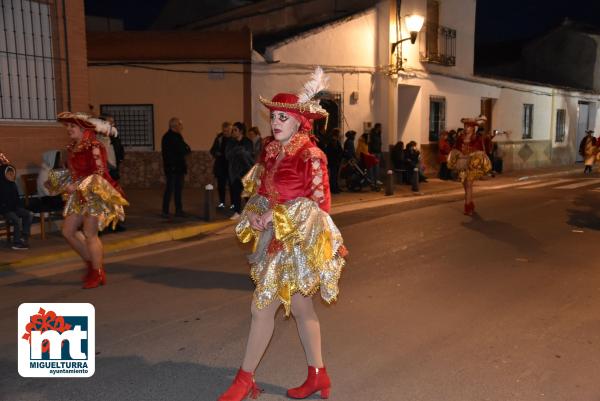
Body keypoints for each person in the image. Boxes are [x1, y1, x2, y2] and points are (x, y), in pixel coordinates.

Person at [217, 67, 347, 401]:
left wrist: (278, 223)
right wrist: (259, 216)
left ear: (300, 122)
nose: (275, 122)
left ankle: (245, 379)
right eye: (274, 116)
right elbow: (262, 194)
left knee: (261, 308)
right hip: (273, 239)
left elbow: (320, 208)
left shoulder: (311, 156)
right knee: (303, 311)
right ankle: (319, 375)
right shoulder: (271, 151)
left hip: (297, 244)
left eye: (283, 118)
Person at [47, 112, 128, 288]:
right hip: (79, 194)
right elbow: (73, 172)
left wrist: (76, 186)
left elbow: (99, 172)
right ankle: (92, 264)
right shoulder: (72, 147)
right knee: (68, 231)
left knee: (90, 234)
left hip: (94, 193)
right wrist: (60, 181)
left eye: (72, 126)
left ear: (83, 128)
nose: (68, 129)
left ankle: (97, 272)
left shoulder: (95, 146)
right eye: (67, 126)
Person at [447, 116, 492, 216]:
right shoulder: (460, 138)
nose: (466, 128)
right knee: (465, 186)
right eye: (465, 126)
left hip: (471, 166)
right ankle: (470, 203)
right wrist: (457, 158)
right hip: (462, 165)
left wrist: (474, 157)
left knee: (468, 185)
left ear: (473, 128)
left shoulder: (476, 139)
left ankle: (467, 207)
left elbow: (481, 151)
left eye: (468, 127)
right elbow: (456, 149)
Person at [161, 117, 191, 218]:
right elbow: (181, 150)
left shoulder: (177, 136)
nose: (181, 127)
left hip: (178, 168)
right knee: (170, 189)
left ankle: (179, 210)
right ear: (174, 126)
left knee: (178, 190)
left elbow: (186, 149)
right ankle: (165, 211)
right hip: (172, 168)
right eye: (180, 124)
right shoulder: (168, 138)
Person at [225, 122, 254, 220]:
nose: (233, 132)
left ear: (241, 131)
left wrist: (237, 151)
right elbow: (228, 155)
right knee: (235, 192)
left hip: (246, 171)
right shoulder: (230, 142)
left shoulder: (247, 141)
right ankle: (237, 212)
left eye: (235, 130)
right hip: (234, 172)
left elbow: (248, 155)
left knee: (247, 194)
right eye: (232, 130)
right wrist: (239, 150)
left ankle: (250, 212)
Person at [1, 164, 32, 250]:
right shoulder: (1, 185)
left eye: (13, 174)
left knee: (28, 214)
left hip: (14, 208)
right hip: (5, 210)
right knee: (16, 220)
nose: (12, 176)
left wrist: (20, 208)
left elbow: (16, 199)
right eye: (9, 174)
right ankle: (16, 243)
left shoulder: (13, 184)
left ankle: (23, 237)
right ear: (4, 174)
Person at [210, 122, 232, 210]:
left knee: (232, 187)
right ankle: (222, 203)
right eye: (224, 131)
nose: (226, 133)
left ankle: (234, 204)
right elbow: (212, 150)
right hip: (221, 166)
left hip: (231, 166)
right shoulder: (219, 138)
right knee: (221, 186)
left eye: (227, 131)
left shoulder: (234, 139)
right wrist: (216, 153)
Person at [325, 128, 343, 194]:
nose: (340, 134)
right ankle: (333, 188)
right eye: (339, 133)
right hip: (334, 161)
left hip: (335, 160)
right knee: (334, 175)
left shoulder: (335, 140)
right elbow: (335, 151)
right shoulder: (333, 140)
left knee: (335, 175)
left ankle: (335, 187)